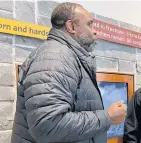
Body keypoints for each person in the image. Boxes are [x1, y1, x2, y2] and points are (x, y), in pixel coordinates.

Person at [11, 2, 126, 143]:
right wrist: (107, 117)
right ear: (71, 27)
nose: (94, 31)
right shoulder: (55, 56)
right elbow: (47, 125)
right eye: (90, 24)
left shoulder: (64, 55)